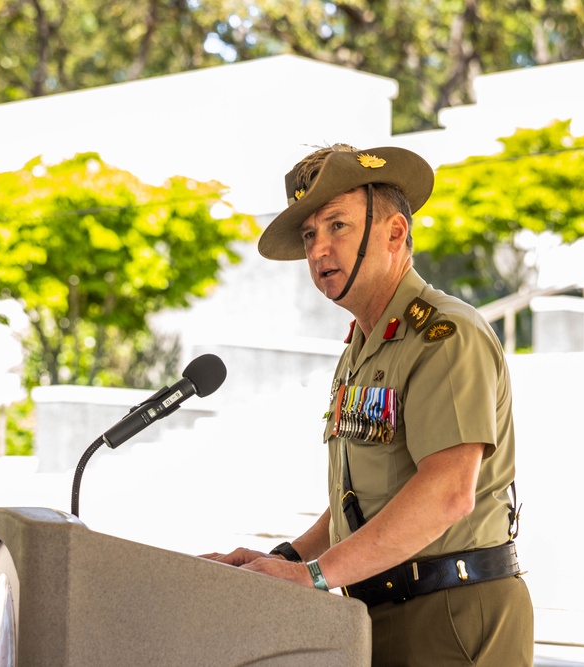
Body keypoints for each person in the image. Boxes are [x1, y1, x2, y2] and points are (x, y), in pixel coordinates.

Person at [201, 144, 534, 665]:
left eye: (337, 226)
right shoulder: (363, 345)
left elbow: (447, 493)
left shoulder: (445, 335)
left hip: (451, 612)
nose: (317, 251)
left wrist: (311, 576)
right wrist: (286, 559)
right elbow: (369, 499)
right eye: (310, 235)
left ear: (395, 234)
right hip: (375, 610)